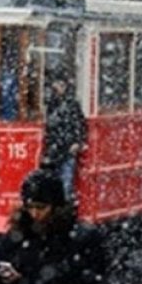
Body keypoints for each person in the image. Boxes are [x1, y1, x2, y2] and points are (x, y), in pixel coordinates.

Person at [41, 68, 87, 197]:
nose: (57, 88)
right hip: (56, 149)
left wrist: (77, 142)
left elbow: (80, 124)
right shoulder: (52, 103)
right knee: (58, 182)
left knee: (65, 182)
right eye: (55, 85)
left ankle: (62, 209)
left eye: (60, 85)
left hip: (65, 149)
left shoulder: (71, 104)